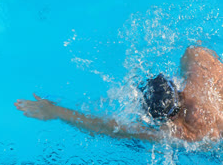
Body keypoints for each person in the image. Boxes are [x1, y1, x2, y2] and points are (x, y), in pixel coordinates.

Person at [14, 46, 223, 142]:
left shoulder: (180, 132)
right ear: (175, 88)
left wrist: (56, 111)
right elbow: (196, 50)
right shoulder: (198, 74)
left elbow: (106, 127)